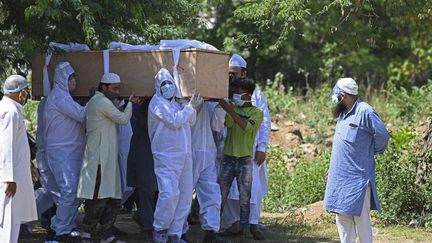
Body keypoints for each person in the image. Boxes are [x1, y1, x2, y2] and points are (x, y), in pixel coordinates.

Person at [324, 78, 389, 243]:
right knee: (342, 218)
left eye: (336, 92)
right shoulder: (342, 113)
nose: (334, 96)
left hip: (358, 178)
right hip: (340, 177)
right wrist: (333, 169)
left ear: (343, 95)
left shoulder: (365, 111)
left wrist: (371, 150)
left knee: (362, 220)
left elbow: (382, 135)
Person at [77, 72, 137, 243]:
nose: (117, 92)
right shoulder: (100, 101)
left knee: (112, 198)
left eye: (119, 88)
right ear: (104, 87)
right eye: (114, 88)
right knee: (100, 198)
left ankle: (106, 234)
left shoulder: (101, 101)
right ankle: (86, 232)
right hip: (99, 160)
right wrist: (130, 103)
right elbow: (123, 119)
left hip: (106, 159)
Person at [221, 54, 271, 240]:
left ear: (244, 72)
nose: (232, 77)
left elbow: (264, 122)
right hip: (228, 149)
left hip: (250, 150)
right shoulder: (224, 91)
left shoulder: (257, 95)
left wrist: (262, 147)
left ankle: (253, 225)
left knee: (253, 189)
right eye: (229, 74)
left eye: (235, 73)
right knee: (227, 188)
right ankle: (234, 225)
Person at [148, 68, 201, 243]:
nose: (168, 87)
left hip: (185, 154)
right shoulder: (157, 103)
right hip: (166, 155)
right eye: (164, 84)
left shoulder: (178, 103)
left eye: (170, 83)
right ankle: (160, 229)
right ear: (158, 87)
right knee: (169, 194)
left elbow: (191, 121)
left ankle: (175, 234)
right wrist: (190, 108)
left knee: (185, 196)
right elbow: (174, 121)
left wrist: (189, 105)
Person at [43, 61, 86, 241]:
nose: (75, 80)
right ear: (63, 79)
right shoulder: (60, 97)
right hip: (62, 152)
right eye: (71, 77)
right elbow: (82, 115)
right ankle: (61, 230)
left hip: (68, 151)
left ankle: (60, 224)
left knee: (71, 191)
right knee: (69, 190)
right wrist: (98, 101)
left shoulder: (63, 97)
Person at [218, 78, 263, 241]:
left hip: (245, 160)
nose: (235, 94)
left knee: (245, 198)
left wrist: (230, 111)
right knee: (220, 195)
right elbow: (228, 125)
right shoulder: (233, 108)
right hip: (228, 157)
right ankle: (214, 228)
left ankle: (244, 232)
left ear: (247, 95)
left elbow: (247, 127)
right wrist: (228, 110)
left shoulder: (257, 112)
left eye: (238, 91)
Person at [0, 75, 37, 242]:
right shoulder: (10, 111)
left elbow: (17, 145)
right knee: (7, 223)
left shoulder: (11, 108)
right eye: (27, 92)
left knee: (12, 221)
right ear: (22, 93)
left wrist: (28, 165)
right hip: (9, 179)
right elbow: (5, 146)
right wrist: (9, 178)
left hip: (14, 175)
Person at [183, 101, 223, 243]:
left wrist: (220, 105)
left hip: (208, 151)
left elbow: (218, 127)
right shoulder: (180, 100)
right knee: (185, 193)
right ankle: (180, 231)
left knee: (211, 192)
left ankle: (211, 231)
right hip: (190, 150)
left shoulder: (211, 103)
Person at [127, 98, 158, 240]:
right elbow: (143, 123)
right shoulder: (140, 108)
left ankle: (149, 222)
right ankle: (148, 225)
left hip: (155, 146)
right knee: (147, 188)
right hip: (144, 147)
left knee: (156, 189)